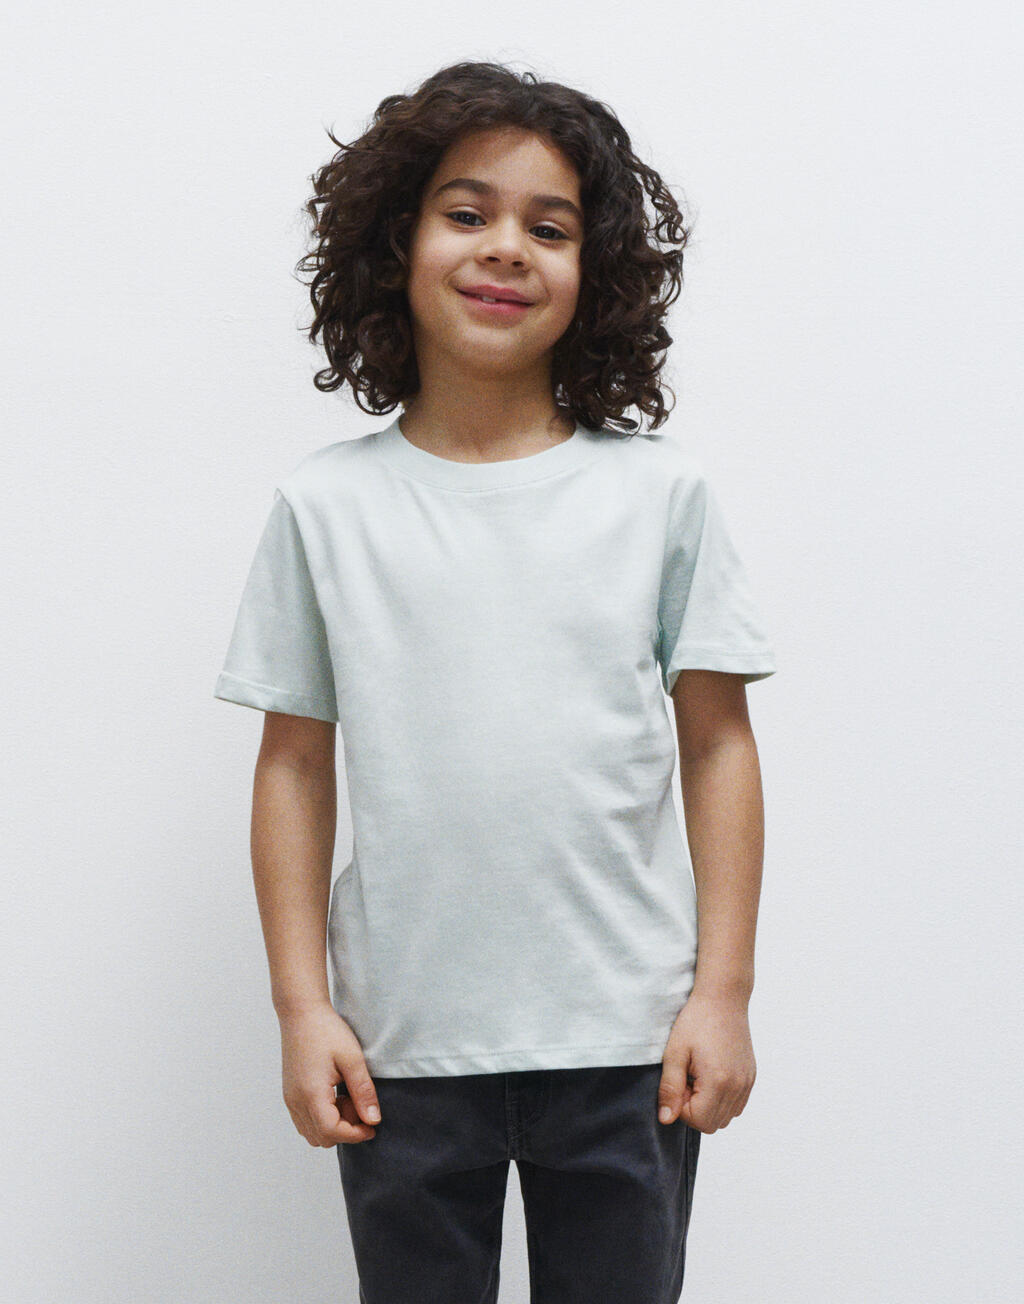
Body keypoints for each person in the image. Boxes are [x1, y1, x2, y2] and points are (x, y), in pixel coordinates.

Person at [214, 59, 777, 1304]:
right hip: (402, 1045)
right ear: (395, 244)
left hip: (627, 1041)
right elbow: (295, 763)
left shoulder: (660, 496)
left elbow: (718, 745)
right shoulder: (325, 507)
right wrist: (302, 1008)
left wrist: (723, 993)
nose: (506, 247)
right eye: (467, 212)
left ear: (597, 270)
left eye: (550, 226)